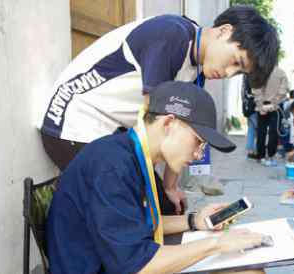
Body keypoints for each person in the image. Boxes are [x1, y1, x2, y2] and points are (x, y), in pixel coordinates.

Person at [39, 6, 279, 215]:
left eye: (238, 72)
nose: (228, 73)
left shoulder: (196, 70)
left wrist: (170, 187)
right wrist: (152, 189)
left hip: (109, 134)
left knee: (166, 205)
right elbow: (153, 126)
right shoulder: (170, 35)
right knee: (142, 209)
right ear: (224, 31)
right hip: (71, 126)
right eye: (235, 61)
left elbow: (185, 128)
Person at [46, 82, 267, 274]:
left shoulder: (130, 152)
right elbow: (136, 266)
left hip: (119, 261)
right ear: (169, 124)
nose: (199, 154)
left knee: (245, 265)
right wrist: (216, 244)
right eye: (198, 141)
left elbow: (137, 222)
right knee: (245, 269)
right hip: (107, 268)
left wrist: (194, 221)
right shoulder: (111, 165)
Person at [252, 66, 288, 166]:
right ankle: (271, 156)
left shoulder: (259, 71)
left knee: (261, 132)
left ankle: (261, 156)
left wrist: (260, 105)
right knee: (274, 132)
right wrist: (274, 103)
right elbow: (283, 91)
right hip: (275, 107)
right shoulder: (281, 72)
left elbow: (256, 89)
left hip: (262, 106)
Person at [242, 75, 259, 159]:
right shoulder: (253, 78)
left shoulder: (245, 77)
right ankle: (255, 151)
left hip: (248, 107)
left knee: (251, 129)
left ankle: (250, 151)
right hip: (254, 107)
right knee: (257, 130)